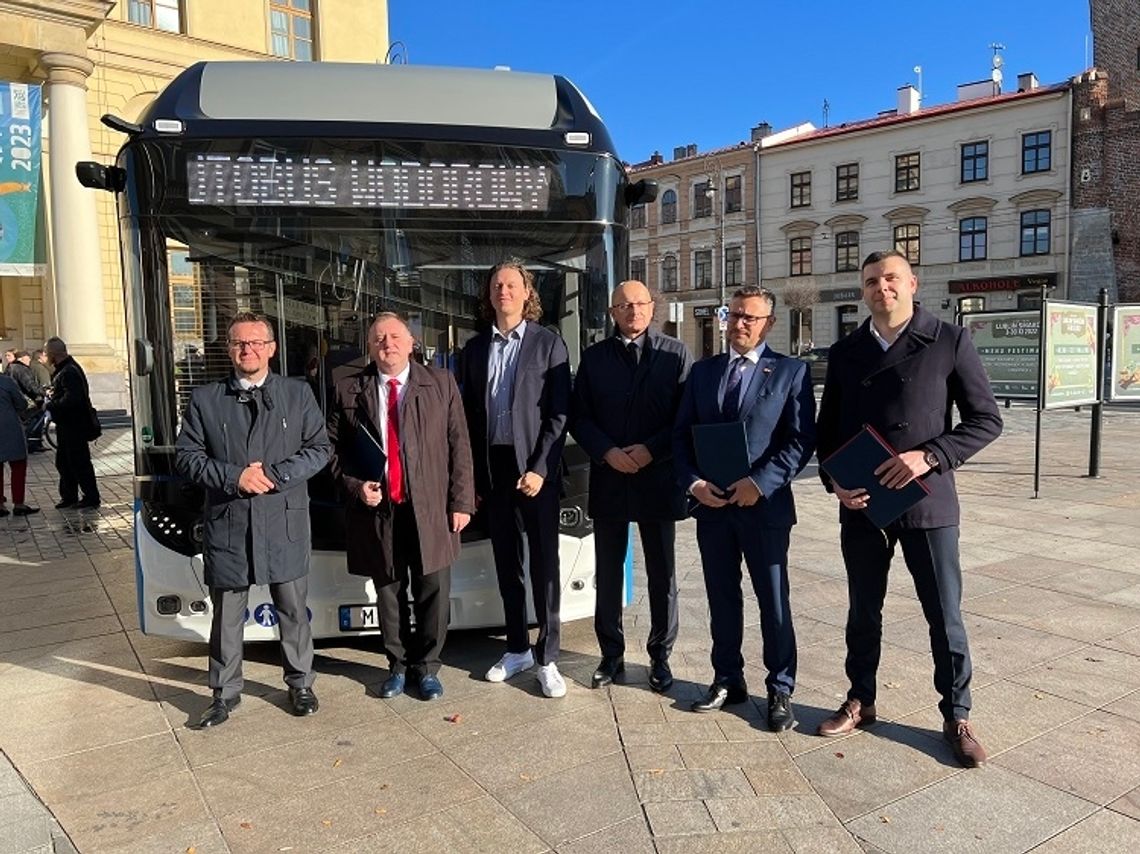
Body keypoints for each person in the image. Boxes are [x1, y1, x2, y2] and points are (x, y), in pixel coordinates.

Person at [815, 250, 1002, 768]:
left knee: (944, 615)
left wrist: (931, 455)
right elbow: (826, 433)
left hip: (928, 501)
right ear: (864, 290)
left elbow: (985, 420)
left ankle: (957, 714)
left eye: (891, 279)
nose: (883, 288)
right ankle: (861, 699)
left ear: (913, 283)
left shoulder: (948, 340)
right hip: (865, 503)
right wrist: (835, 483)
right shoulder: (848, 350)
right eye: (872, 281)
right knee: (862, 611)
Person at [174, 312, 330, 728]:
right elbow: (187, 458)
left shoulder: (298, 395)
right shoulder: (206, 400)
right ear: (229, 350)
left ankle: (300, 684)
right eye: (240, 343)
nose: (248, 349)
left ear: (272, 349)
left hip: (283, 520)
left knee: (294, 610)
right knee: (226, 615)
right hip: (229, 522)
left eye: (257, 342)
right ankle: (224, 694)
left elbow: (319, 449)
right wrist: (234, 477)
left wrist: (275, 476)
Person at [673, 285, 816, 732]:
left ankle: (780, 688)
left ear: (768, 324)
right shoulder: (702, 372)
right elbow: (681, 437)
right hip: (713, 507)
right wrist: (694, 483)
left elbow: (800, 440)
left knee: (773, 601)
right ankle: (727, 678)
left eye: (749, 318)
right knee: (721, 597)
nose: (738, 324)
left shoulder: (790, 372)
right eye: (732, 315)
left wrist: (761, 483)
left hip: (764, 509)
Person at [327, 312, 475, 701]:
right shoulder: (348, 390)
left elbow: (460, 447)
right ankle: (396, 666)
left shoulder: (441, 384)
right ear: (370, 349)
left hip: (431, 510)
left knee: (433, 592)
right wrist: (355, 487)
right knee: (389, 593)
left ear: (412, 343)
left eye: (395, 337)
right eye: (378, 339)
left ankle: (427, 668)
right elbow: (331, 452)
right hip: (380, 510)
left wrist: (461, 502)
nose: (387, 344)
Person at [570, 280, 692, 692]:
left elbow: (684, 417)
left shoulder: (675, 355)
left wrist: (650, 451)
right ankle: (611, 654)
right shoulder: (594, 358)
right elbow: (579, 416)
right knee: (607, 571)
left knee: (663, 573)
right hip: (609, 477)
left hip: (658, 478)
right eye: (624, 305)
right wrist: (607, 452)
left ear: (652, 307)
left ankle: (661, 656)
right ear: (612, 312)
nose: (633, 311)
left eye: (640, 303)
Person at [460, 259, 571, 698]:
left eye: (511, 284)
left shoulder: (548, 344)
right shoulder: (472, 351)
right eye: (496, 285)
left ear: (527, 293)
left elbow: (560, 413)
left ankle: (547, 656)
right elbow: (464, 418)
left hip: (535, 469)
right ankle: (516, 647)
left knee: (545, 564)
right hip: (494, 469)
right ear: (489, 296)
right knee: (507, 563)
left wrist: (541, 468)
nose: (503, 290)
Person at [43, 337, 101, 509]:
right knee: (64, 462)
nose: (45, 357)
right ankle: (69, 496)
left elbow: (73, 399)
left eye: (47, 353)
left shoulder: (68, 371)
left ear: (53, 353)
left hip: (74, 425)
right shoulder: (65, 369)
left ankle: (90, 497)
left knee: (79, 462)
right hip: (67, 425)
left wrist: (50, 404)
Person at [0, 373, 40, 517]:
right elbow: (21, 403)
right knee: (18, 466)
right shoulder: (6, 381)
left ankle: (0, 505)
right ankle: (18, 503)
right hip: (9, 427)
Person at [8, 352, 45, 452]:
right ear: (21, 358)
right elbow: (29, 385)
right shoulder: (21, 369)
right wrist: (43, 392)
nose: (29, 361)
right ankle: (32, 443)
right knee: (37, 414)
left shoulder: (11, 367)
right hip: (24, 399)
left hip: (14, 399)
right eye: (28, 359)